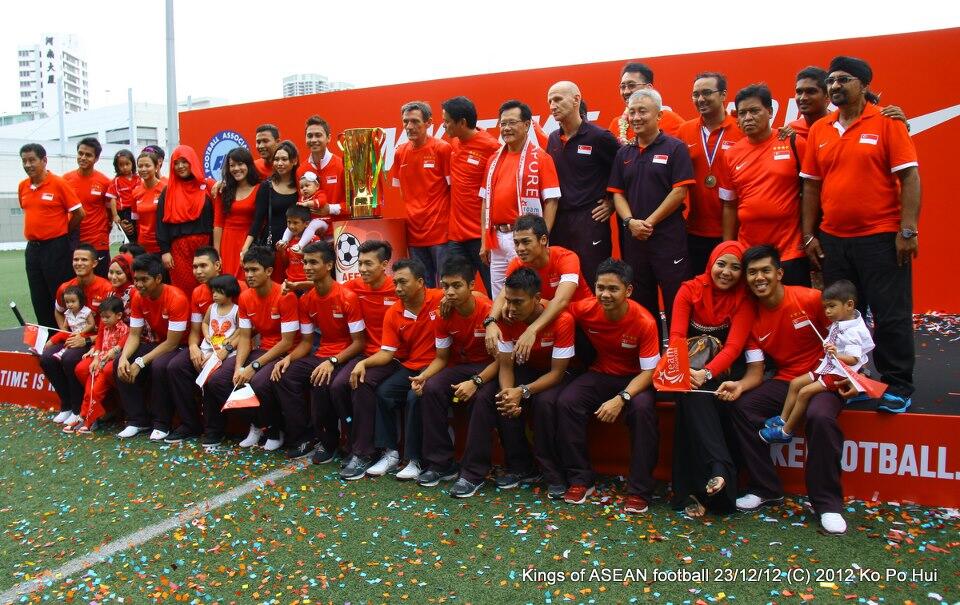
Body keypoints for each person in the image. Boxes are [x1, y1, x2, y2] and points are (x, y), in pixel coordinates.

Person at [800, 55, 921, 413]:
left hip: (881, 237)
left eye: (844, 80)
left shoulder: (887, 122)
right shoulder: (821, 129)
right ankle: (855, 381)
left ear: (865, 86)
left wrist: (907, 230)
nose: (836, 86)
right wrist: (809, 235)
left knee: (890, 314)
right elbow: (811, 187)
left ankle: (898, 385)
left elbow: (909, 177)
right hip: (834, 240)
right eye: (832, 80)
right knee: (845, 317)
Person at [717, 245, 848, 535]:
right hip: (786, 382)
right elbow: (756, 370)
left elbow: (850, 336)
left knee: (820, 418)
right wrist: (739, 386)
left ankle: (827, 504)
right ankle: (765, 488)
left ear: (779, 273)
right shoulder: (751, 317)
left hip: (825, 379)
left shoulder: (810, 299)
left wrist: (853, 376)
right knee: (742, 407)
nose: (759, 277)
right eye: (752, 272)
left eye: (765, 270)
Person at [450, 268, 574, 498]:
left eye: (518, 302)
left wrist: (523, 391)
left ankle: (553, 474)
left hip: (554, 375)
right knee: (495, 398)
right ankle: (483, 473)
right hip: (522, 369)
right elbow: (506, 366)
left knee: (544, 403)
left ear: (536, 298)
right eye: (508, 300)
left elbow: (557, 374)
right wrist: (509, 395)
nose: (511, 307)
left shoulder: (562, 320)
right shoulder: (506, 318)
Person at [556, 259, 661, 509]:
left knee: (643, 410)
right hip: (600, 374)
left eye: (613, 289)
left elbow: (650, 372)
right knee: (566, 401)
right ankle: (581, 480)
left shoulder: (644, 321)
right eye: (600, 287)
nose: (605, 294)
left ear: (628, 290)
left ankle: (640, 490)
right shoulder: (585, 308)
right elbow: (551, 309)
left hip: (636, 380)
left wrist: (622, 398)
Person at [669, 240, 752, 517]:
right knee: (690, 395)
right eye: (721, 264)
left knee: (695, 399)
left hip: (725, 373)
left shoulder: (743, 298)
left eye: (735, 267)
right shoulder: (689, 290)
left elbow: (733, 348)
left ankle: (690, 492)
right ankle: (719, 472)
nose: (726, 272)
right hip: (688, 369)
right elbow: (677, 337)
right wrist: (686, 371)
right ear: (711, 263)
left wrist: (705, 373)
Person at [340, 258, 443, 481]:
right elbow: (387, 353)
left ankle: (415, 459)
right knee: (384, 392)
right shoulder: (394, 311)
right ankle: (390, 453)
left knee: (414, 397)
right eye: (395, 283)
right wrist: (363, 363)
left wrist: (491, 321)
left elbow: (473, 296)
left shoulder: (440, 298)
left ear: (420, 282)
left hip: (439, 365)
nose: (398, 288)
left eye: (403, 282)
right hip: (411, 365)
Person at [609, 88, 695, 332]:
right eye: (632, 112)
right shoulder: (624, 153)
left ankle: (680, 351)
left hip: (668, 239)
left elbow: (679, 192)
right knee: (641, 301)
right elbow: (617, 193)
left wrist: (649, 223)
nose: (636, 117)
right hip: (635, 240)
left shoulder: (675, 148)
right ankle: (650, 352)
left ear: (658, 115)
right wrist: (630, 222)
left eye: (642, 112)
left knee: (677, 299)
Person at [274, 241, 366, 460]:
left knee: (322, 382)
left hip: (345, 356)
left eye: (313, 262)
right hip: (321, 354)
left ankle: (331, 442)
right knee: (283, 375)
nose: (307, 267)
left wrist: (333, 361)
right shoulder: (306, 300)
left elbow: (359, 343)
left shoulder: (347, 297)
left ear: (329, 265)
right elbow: (307, 343)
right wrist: (288, 358)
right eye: (305, 262)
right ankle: (305, 437)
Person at [200, 246, 299, 449]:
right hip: (260, 350)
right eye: (246, 270)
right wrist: (238, 367)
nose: (249, 275)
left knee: (259, 382)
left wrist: (253, 366)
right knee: (217, 381)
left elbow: (287, 342)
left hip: (285, 352)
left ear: (269, 271)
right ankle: (257, 424)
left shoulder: (285, 295)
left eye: (254, 270)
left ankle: (274, 430)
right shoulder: (245, 297)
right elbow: (245, 337)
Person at [416, 256, 497, 487]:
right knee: (431, 388)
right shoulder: (443, 313)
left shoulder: (489, 312)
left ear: (471, 285)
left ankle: (474, 473)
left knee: (481, 398)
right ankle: (441, 464)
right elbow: (441, 358)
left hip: (491, 368)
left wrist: (476, 382)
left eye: (457, 286)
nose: (450, 292)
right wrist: (424, 376)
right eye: (445, 286)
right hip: (461, 367)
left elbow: (502, 361)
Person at [761, 279, 874, 443]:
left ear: (849, 305)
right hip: (827, 366)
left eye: (832, 306)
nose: (827, 311)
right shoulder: (841, 321)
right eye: (825, 307)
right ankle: (783, 419)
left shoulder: (853, 332)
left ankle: (785, 432)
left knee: (804, 393)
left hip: (837, 374)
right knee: (795, 384)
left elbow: (853, 359)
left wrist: (836, 354)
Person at [718, 84, 810, 285]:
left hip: (790, 250)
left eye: (754, 111)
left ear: (770, 112)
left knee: (794, 303)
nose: (747, 118)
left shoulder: (793, 142)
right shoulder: (731, 155)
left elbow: (812, 191)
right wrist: (728, 247)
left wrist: (810, 235)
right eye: (742, 113)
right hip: (749, 251)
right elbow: (729, 205)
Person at [483, 214, 591, 366]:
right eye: (516, 243)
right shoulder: (516, 263)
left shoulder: (566, 258)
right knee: (504, 312)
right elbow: (503, 295)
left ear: (543, 240)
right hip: (549, 320)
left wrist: (532, 330)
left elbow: (561, 301)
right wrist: (491, 322)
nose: (520, 249)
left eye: (526, 242)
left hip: (581, 322)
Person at [480, 100, 561, 297]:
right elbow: (485, 201)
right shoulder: (493, 160)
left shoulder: (541, 158)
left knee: (524, 293)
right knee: (498, 295)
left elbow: (551, 201)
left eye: (512, 122)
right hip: (496, 238)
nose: (506, 128)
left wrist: (541, 238)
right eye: (503, 123)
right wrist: (484, 241)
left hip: (524, 239)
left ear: (526, 125)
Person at [546, 81, 620, 287]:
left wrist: (612, 202)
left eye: (558, 99)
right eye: (550, 101)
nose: (552, 106)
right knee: (563, 282)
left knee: (592, 279)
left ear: (576, 99)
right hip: (560, 222)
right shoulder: (553, 139)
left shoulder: (600, 137)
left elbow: (624, 171)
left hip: (590, 221)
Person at [332, 240, 399, 459]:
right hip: (365, 353)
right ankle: (352, 436)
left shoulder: (398, 288)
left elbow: (431, 295)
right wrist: (295, 287)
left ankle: (364, 452)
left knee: (360, 383)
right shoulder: (353, 287)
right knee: (337, 386)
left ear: (384, 265)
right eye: (360, 263)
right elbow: (328, 289)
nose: (362, 269)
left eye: (368, 263)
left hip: (394, 356)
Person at [115, 254, 190, 441]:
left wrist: (140, 362)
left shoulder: (176, 298)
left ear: (158, 278)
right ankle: (137, 420)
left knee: (159, 365)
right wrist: (124, 358)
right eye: (136, 279)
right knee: (120, 363)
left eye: (144, 280)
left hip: (183, 346)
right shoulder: (138, 297)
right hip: (160, 344)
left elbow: (172, 343)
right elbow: (134, 335)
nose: (138, 284)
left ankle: (162, 424)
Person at [677, 72, 745, 274]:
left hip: (736, 229)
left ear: (723, 94)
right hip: (695, 230)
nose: (700, 99)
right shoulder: (684, 131)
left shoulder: (741, 128)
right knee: (699, 285)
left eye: (706, 93)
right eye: (695, 94)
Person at [40, 244, 113, 425]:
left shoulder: (106, 288)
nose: (79, 263)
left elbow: (110, 327)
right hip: (74, 338)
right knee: (46, 357)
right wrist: (67, 332)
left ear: (94, 263)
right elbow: (58, 311)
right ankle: (66, 406)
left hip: (96, 341)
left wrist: (86, 339)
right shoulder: (65, 287)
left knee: (70, 358)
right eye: (75, 259)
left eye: (84, 260)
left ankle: (77, 408)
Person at [18, 143, 85, 330]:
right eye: (24, 161)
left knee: (60, 294)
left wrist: (63, 231)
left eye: (32, 160)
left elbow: (79, 213)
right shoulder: (23, 186)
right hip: (33, 249)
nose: (28, 165)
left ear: (44, 160)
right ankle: (46, 335)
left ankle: (66, 335)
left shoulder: (59, 183)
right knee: (38, 295)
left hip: (56, 247)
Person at [163, 247, 224, 443]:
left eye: (203, 266)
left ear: (217, 265)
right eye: (195, 267)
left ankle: (214, 429)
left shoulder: (234, 286)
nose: (198, 271)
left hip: (229, 348)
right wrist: (193, 348)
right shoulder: (197, 292)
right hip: (205, 346)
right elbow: (195, 331)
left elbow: (246, 330)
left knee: (212, 373)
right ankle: (190, 424)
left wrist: (221, 351)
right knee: (175, 366)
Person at [441, 96, 500, 294]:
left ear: (462, 122)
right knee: (455, 292)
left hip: (480, 236)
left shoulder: (491, 147)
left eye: (447, 121)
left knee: (494, 290)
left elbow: (496, 192)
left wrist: (487, 237)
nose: (444, 126)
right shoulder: (454, 143)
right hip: (456, 237)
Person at [390, 101, 452, 288]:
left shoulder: (442, 148)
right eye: (406, 121)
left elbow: (453, 188)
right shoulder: (400, 152)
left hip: (441, 234)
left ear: (429, 122)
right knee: (422, 288)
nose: (409, 126)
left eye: (415, 121)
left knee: (446, 287)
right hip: (414, 235)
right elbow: (403, 190)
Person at [156, 145, 215, 295]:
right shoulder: (168, 191)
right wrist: (165, 251)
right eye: (176, 163)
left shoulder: (207, 186)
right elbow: (161, 223)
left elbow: (218, 218)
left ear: (192, 162)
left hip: (205, 245)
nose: (180, 166)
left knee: (208, 287)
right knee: (183, 289)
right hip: (179, 249)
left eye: (184, 161)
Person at [71, 296, 129, 434]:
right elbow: (99, 341)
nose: (103, 320)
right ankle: (84, 416)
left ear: (119, 315)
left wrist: (108, 356)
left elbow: (122, 345)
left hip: (108, 364)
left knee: (95, 391)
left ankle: (91, 420)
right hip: (99, 363)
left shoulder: (124, 329)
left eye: (107, 317)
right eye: (102, 317)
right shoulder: (105, 325)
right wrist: (96, 358)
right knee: (89, 390)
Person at [291, 115, 346, 245]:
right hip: (312, 240)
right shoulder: (301, 170)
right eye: (310, 136)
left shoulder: (342, 165)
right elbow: (302, 201)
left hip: (340, 235)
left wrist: (329, 209)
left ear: (328, 138)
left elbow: (353, 204)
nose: (313, 140)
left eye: (318, 135)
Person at [245, 140, 300, 270]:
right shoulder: (267, 186)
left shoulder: (302, 185)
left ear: (294, 161)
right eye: (276, 159)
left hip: (297, 245)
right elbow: (257, 220)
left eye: (284, 159)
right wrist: (245, 248)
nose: (279, 163)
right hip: (272, 247)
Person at [63, 137, 112, 276]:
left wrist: (103, 232)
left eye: (88, 155)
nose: (83, 157)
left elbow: (110, 212)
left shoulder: (105, 182)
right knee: (75, 284)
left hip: (98, 242)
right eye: (80, 153)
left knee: (101, 282)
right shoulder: (65, 180)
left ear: (96, 158)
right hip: (73, 242)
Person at [609, 62, 685, 144]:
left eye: (631, 85)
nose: (626, 91)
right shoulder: (615, 124)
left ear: (648, 88)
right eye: (623, 87)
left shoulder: (671, 119)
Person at [214, 147, 260, 279]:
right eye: (232, 165)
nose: (236, 168)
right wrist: (216, 253)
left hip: (248, 241)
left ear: (248, 165)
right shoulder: (223, 190)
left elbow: (259, 221)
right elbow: (218, 223)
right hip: (227, 242)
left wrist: (247, 247)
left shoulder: (259, 188)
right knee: (227, 282)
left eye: (240, 164)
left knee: (247, 280)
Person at [277, 171, 330, 253]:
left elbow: (321, 202)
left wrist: (307, 204)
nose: (304, 189)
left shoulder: (320, 194)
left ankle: (300, 245)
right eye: (301, 187)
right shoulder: (302, 198)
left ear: (317, 186)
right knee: (290, 225)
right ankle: (284, 241)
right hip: (308, 221)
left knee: (312, 225)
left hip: (322, 221)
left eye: (307, 186)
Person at [279, 205, 319, 294]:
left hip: (308, 284)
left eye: (295, 222)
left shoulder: (314, 239)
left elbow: (320, 262)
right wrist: (282, 251)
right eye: (289, 222)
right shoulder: (288, 240)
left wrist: (304, 254)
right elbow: (286, 263)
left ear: (306, 224)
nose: (291, 226)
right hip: (291, 283)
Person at [131, 149, 165, 254]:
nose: (143, 169)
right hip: (143, 246)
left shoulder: (165, 189)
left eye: (147, 165)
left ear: (156, 167)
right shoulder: (136, 192)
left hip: (162, 246)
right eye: (140, 166)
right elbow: (136, 221)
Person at [106, 149, 141, 243]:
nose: (124, 167)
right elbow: (113, 199)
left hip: (137, 210)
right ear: (117, 166)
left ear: (133, 164)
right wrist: (115, 215)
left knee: (138, 233)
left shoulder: (138, 179)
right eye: (121, 165)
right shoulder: (116, 181)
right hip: (124, 212)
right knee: (128, 233)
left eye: (127, 164)